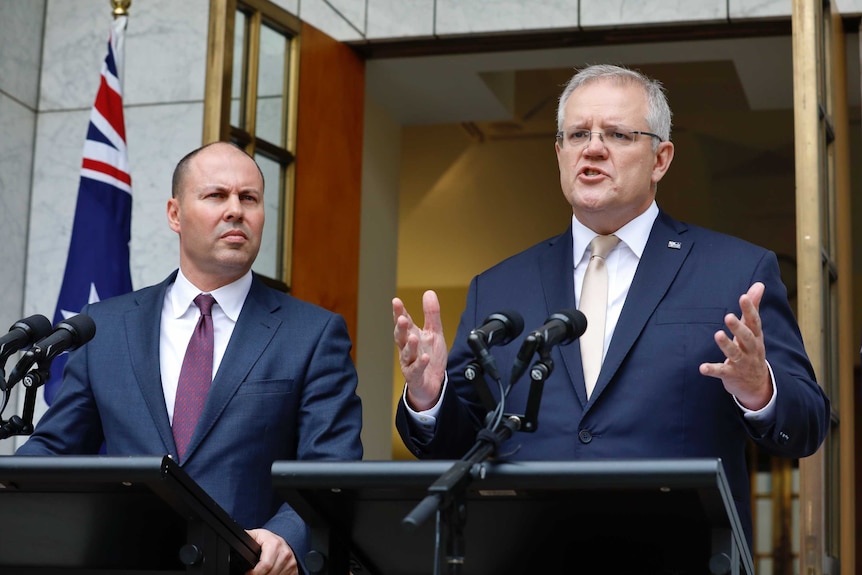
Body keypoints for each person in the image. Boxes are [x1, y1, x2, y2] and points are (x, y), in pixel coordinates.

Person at [393, 64, 829, 559]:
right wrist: (429, 398)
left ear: (661, 158)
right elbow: (460, 442)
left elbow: (808, 425)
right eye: (578, 134)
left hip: (681, 559)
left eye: (618, 134)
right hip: (531, 559)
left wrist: (760, 390)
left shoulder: (736, 271)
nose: (593, 148)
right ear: (559, 153)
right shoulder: (496, 288)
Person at [17, 142, 363, 575]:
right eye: (216, 195)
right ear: (175, 214)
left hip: (250, 568)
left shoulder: (312, 333)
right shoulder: (104, 327)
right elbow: (56, 448)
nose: (236, 210)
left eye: (249, 198)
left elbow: (332, 465)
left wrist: (287, 536)